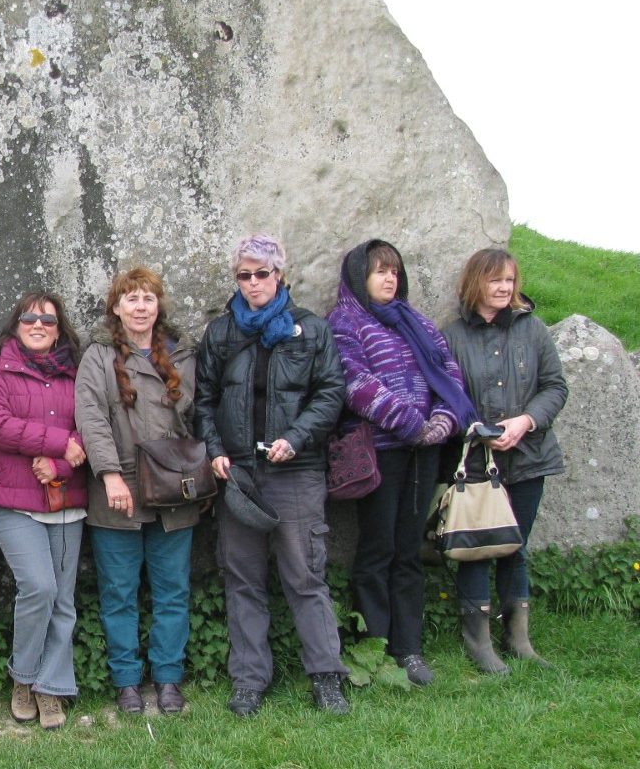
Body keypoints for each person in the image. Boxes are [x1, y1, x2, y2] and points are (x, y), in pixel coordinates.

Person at [194, 234, 349, 717]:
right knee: (242, 578)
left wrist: (297, 437)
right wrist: (216, 452)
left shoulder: (311, 330)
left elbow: (330, 394)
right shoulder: (221, 333)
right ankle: (248, 680)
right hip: (239, 474)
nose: (254, 282)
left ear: (280, 275)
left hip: (295, 472)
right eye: (245, 275)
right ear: (236, 280)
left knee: (304, 576)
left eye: (263, 273)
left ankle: (326, 677)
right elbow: (203, 402)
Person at [327, 240, 474, 686]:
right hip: (380, 453)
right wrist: (411, 423)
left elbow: (449, 375)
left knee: (409, 549)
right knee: (377, 549)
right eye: (379, 272)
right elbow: (354, 382)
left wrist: (443, 422)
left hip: (424, 452)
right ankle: (375, 645)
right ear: (359, 278)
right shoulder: (346, 322)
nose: (390, 279)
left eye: (394, 271)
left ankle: (409, 648)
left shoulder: (418, 323)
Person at [74, 266, 198, 716]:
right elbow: (91, 417)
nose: (140, 307)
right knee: (119, 593)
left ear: (157, 305)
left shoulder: (182, 355)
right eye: (131, 299)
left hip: (173, 491)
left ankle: (168, 679)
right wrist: (109, 475)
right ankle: (127, 682)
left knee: (171, 591)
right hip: (119, 492)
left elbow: (197, 418)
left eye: (148, 298)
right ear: (116, 307)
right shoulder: (98, 357)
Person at [441, 248, 567, 673]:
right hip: (477, 462)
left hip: (530, 456)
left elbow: (555, 386)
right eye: (496, 280)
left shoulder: (533, 331)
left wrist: (526, 421)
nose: (504, 288)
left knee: (516, 545)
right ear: (476, 282)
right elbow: (446, 397)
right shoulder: (453, 336)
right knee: (478, 546)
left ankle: (518, 639)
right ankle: (479, 643)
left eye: (510, 280)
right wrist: (476, 429)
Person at [0, 291, 87, 731]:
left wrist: (59, 463)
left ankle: (51, 688)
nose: (38, 325)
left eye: (48, 319)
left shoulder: (77, 375)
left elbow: (90, 429)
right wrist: (59, 443)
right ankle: (23, 677)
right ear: (15, 325)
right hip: (11, 501)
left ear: (60, 329)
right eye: (29, 318)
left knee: (63, 599)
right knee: (38, 587)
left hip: (66, 499)